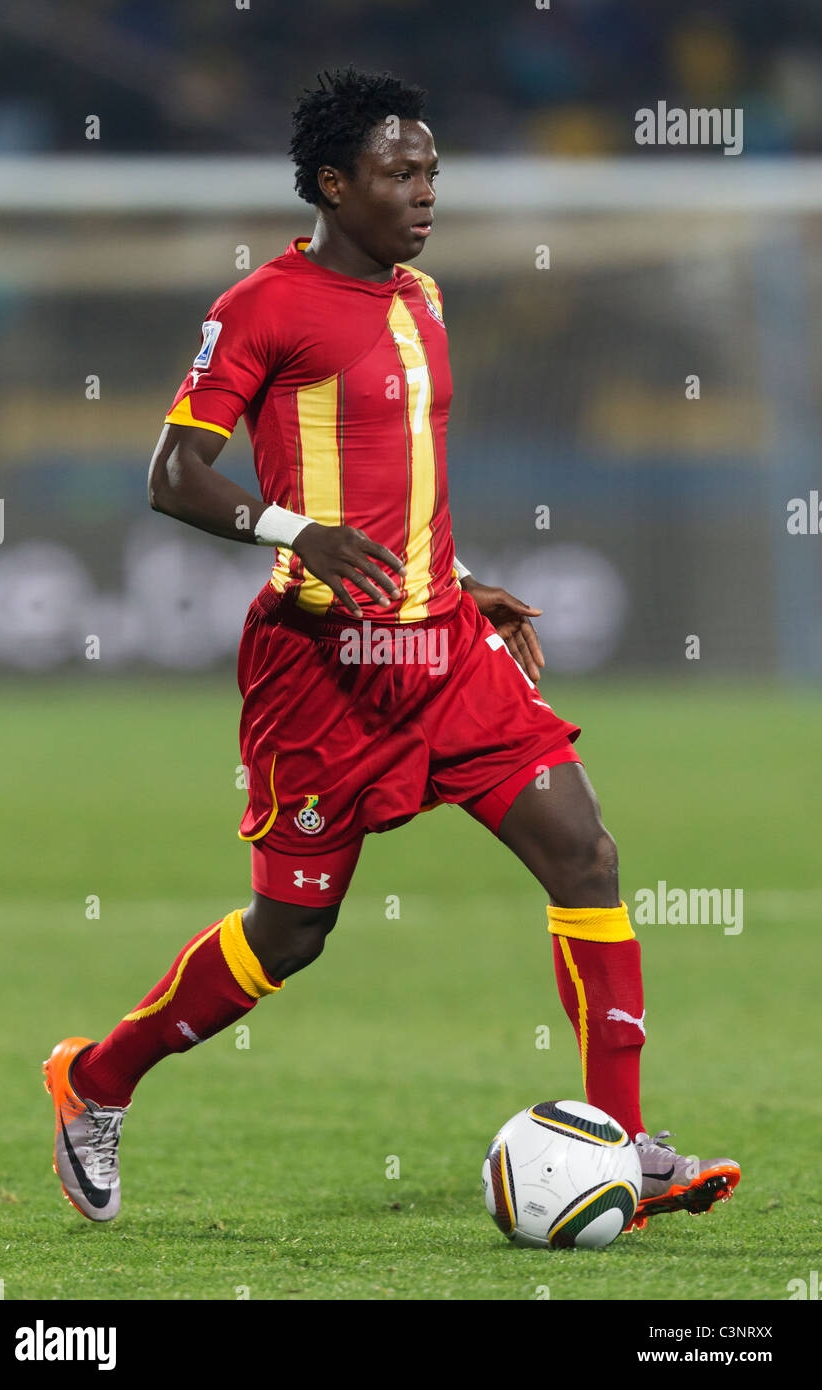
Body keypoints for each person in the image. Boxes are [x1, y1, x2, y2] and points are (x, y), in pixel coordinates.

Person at [43, 67, 739, 1232]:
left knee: (585, 853)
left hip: (446, 649)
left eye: (430, 172)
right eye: (398, 173)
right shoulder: (262, 305)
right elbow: (173, 476)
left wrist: (458, 582)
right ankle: (95, 1081)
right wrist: (293, 528)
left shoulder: (420, 298)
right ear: (331, 183)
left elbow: (396, 477)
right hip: (319, 669)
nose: (423, 193)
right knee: (293, 930)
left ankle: (622, 1146)